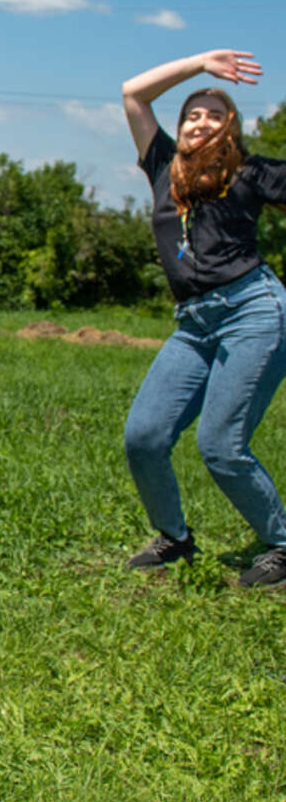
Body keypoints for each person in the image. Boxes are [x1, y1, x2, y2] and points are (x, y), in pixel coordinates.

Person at [121, 49, 286, 586]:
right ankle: (175, 538)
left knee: (220, 444)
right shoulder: (163, 166)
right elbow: (133, 92)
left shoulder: (250, 171)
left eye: (215, 115)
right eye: (192, 113)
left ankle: (282, 544)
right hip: (193, 323)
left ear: (232, 131)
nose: (201, 121)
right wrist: (200, 65)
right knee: (144, 436)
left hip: (252, 311)